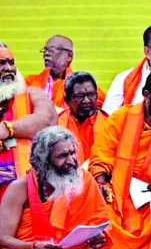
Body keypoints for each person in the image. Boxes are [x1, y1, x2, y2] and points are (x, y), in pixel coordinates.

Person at [89, 70, 151, 249]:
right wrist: (101, 182)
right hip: (117, 191)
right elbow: (102, 152)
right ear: (147, 95)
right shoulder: (121, 117)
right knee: (103, 220)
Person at [0, 126, 112, 249]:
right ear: (44, 161)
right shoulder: (19, 188)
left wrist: (99, 237)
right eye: (62, 156)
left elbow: (99, 222)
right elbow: (3, 238)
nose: (71, 161)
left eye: (72, 153)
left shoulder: (84, 180)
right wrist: (35, 247)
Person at [0, 42, 57, 201]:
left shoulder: (31, 93)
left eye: (11, 62)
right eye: (2, 63)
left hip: (25, 186)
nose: (9, 68)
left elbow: (47, 121)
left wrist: (8, 128)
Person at [25, 35, 106, 111]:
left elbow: (106, 107)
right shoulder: (30, 82)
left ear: (69, 56)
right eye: (45, 50)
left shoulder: (82, 84)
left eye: (51, 50)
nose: (46, 53)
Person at [57, 72, 109, 164]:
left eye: (91, 94)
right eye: (79, 96)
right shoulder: (56, 125)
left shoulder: (109, 123)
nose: (86, 100)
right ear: (67, 100)